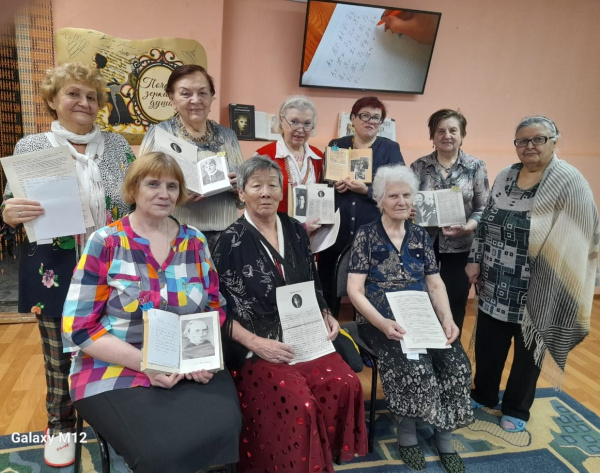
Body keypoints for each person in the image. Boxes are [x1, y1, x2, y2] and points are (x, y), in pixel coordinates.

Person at [62, 152, 241, 473]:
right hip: (115, 367)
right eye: (153, 184)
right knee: (160, 452)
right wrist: (146, 365)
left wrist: (201, 356)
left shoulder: (195, 241)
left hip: (187, 361)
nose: (164, 193)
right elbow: (79, 328)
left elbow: (214, 307)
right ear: (133, 189)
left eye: (172, 186)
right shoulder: (106, 242)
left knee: (224, 430)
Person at [0, 62, 135, 467]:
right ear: (53, 100)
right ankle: (60, 426)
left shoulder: (118, 146)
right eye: (73, 94)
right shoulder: (32, 146)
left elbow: (134, 200)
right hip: (53, 268)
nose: (84, 102)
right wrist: (8, 213)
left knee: (114, 343)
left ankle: (114, 421)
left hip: (112, 266)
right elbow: (10, 205)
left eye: (92, 96)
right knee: (58, 355)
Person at [213, 155, 367, 473]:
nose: (265, 192)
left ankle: (321, 457)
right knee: (300, 403)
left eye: (273, 185)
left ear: (282, 192)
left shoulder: (295, 229)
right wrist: (256, 343)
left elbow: (312, 281)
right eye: (256, 185)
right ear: (241, 192)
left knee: (345, 382)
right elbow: (218, 309)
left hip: (304, 332)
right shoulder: (228, 241)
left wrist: (325, 312)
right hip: (256, 344)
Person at [466, 116, 599, 433]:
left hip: (539, 285)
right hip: (495, 281)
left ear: (554, 140)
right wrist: (475, 258)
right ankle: (483, 394)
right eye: (522, 141)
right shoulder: (506, 175)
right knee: (488, 345)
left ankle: (516, 408)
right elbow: (486, 221)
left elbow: (586, 231)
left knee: (528, 352)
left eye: (538, 139)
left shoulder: (569, 181)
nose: (529, 146)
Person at [347, 164, 472, 473]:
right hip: (380, 319)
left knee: (457, 364)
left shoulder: (420, 236)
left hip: (420, 315)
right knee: (414, 366)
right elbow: (354, 290)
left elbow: (435, 283)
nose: (401, 201)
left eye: (406, 195)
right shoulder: (366, 235)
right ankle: (407, 436)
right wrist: (381, 323)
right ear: (380, 200)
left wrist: (448, 319)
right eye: (393, 196)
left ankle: (444, 436)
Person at [139, 64, 243, 252]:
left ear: (212, 97)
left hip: (225, 237)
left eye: (202, 93)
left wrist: (239, 185)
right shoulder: (160, 134)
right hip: (173, 235)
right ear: (172, 98)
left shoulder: (228, 136)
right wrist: (177, 192)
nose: (195, 100)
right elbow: (140, 187)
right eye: (186, 94)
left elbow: (243, 198)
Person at [318, 96, 404, 307]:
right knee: (328, 290)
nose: (370, 121)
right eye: (365, 115)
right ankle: (330, 324)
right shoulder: (336, 145)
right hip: (336, 231)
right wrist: (334, 186)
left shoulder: (390, 148)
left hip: (373, 232)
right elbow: (323, 185)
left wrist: (367, 190)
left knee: (370, 292)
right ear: (353, 118)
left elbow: (399, 189)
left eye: (376, 117)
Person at [411, 109, 489, 333]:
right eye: (440, 131)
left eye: (453, 130)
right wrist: (409, 210)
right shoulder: (418, 166)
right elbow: (406, 201)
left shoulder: (475, 166)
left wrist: (469, 227)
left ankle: (451, 343)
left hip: (462, 244)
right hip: (423, 243)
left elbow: (483, 208)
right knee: (421, 296)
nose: (447, 135)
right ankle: (424, 341)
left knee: (455, 298)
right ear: (432, 136)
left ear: (462, 135)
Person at [255, 96, 324, 233]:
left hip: (312, 235)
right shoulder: (264, 155)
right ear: (281, 121)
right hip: (275, 232)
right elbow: (256, 201)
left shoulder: (318, 157)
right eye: (294, 121)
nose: (300, 129)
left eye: (307, 123)